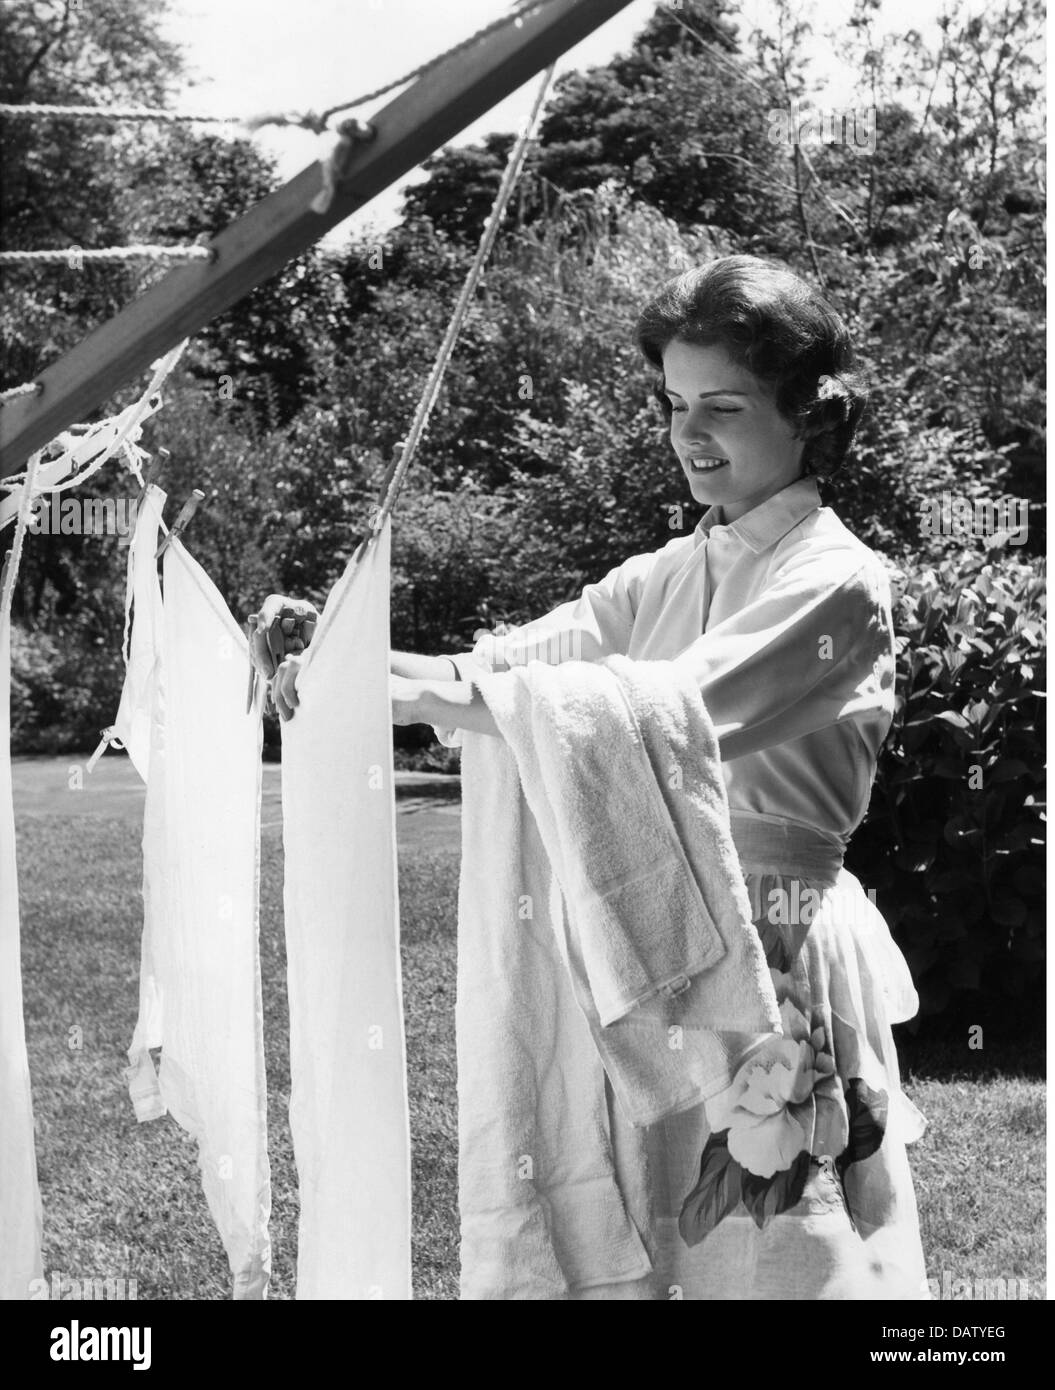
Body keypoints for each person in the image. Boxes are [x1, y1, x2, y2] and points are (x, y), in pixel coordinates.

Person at [251, 254, 928, 1299]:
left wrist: (415, 697)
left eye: (723, 407)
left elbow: (673, 707)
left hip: (769, 943)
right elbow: (520, 666)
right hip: (649, 946)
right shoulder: (664, 571)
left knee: (776, 1255)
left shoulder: (834, 581)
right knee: (661, 1239)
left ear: (806, 413)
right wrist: (348, 663)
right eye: (670, 406)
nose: (687, 436)